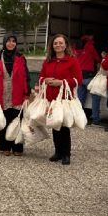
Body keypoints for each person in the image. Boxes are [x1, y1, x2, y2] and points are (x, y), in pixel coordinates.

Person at [39, 34, 83, 165]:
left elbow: (78, 80)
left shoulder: (72, 61)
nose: (58, 45)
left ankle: (66, 154)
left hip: (64, 99)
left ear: (65, 45)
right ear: (52, 46)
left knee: (64, 126)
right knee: (54, 125)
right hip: (51, 99)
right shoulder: (48, 61)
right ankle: (57, 151)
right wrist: (44, 80)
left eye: (60, 43)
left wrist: (61, 82)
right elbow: (41, 77)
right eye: (55, 43)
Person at [0, 34, 31, 157]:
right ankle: (4, 146)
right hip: (2, 92)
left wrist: (27, 93)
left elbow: (26, 76)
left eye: (13, 41)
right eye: (8, 41)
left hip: (17, 92)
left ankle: (17, 147)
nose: (11, 43)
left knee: (17, 120)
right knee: (3, 120)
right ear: (4, 42)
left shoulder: (21, 57)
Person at [73, 34, 102, 125]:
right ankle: (95, 119)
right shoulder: (90, 47)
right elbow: (97, 59)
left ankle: (79, 119)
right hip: (89, 76)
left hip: (79, 76)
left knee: (80, 98)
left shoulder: (74, 47)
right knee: (95, 97)